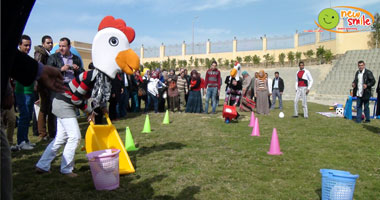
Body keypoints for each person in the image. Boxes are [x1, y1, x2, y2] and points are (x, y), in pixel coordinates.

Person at [2, 2, 65, 198]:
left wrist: (37, 70)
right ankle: (26, 139)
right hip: (26, 91)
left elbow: (3, 45)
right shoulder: (42, 55)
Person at [14, 35, 36, 150]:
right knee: (24, 116)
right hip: (22, 92)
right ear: (19, 45)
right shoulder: (18, 59)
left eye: (29, 45)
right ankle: (21, 142)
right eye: (25, 45)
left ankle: (26, 140)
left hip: (30, 91)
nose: (28, 48)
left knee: (28, 117)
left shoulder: (27, 59)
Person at [34, 35, 56, 140]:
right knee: (44, 108)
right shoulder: (40, 54)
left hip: (48, 85)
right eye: (48, 43)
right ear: (43, 44)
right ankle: (42, 133)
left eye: (51, 42)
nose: (50, 44)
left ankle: (51, 133)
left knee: (50, 108)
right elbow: (39, 70)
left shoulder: (48, 54)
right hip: (43, 86)